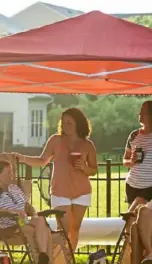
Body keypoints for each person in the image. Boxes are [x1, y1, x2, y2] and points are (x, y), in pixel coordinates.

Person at [14, 108, 97, 252]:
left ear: (79, 124)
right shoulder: (55, 140)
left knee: (74, 229)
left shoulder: (87, 145)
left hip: (82, 192)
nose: (65, 126)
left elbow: (94, 170)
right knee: (63, 230)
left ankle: (70, 261)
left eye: (69, 123)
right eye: (63, 122)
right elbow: (42, 160)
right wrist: (22, 158)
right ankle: (61, 262)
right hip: (60, 191)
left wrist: (84, 167)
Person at [0, 160, 67, 264]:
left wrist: (35, 215)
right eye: (8, 172)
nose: (12, 175)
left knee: (40, 220)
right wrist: (10, 211)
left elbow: (26, 205)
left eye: (12, 172)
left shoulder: (14, 188)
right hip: (8, 228)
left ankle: (43, 255)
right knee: (42, 231)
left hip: (23, 224)